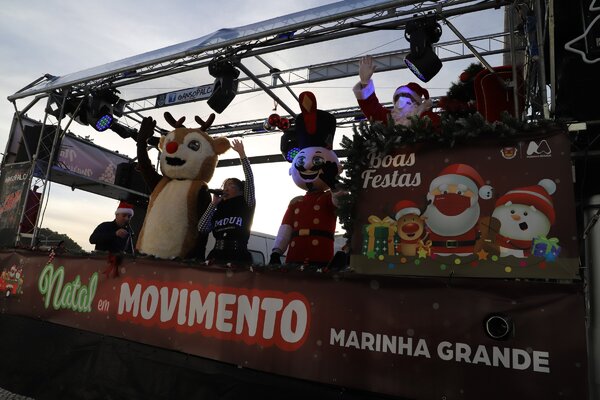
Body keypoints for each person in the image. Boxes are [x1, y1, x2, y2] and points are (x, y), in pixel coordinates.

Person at [198, 139, 255, 264]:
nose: (226, 189)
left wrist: (242, 155)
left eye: (231, 186)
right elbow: (202, 228)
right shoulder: (218, 208)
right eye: (225, 186)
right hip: (216, 255)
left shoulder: (246, 203)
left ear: (241, 191)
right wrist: (213, 204)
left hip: (238, 255)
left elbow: (249, 179)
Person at [352, 55, 438, 127]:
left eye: (405, 95)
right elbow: (373, 110)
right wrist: (365, 82)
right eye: (397, 97)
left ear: (416, 101)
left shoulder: (427, 117)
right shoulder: (390, 119)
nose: (400, 99)